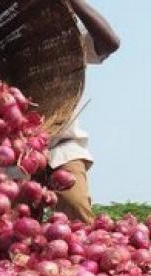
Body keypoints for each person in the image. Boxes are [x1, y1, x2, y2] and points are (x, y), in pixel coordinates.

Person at [49, 0, 120, 223]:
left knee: (76, 211)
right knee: (12, 231)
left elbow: (110, 43)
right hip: (17, 155)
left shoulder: (64, 40)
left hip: (62, 147)